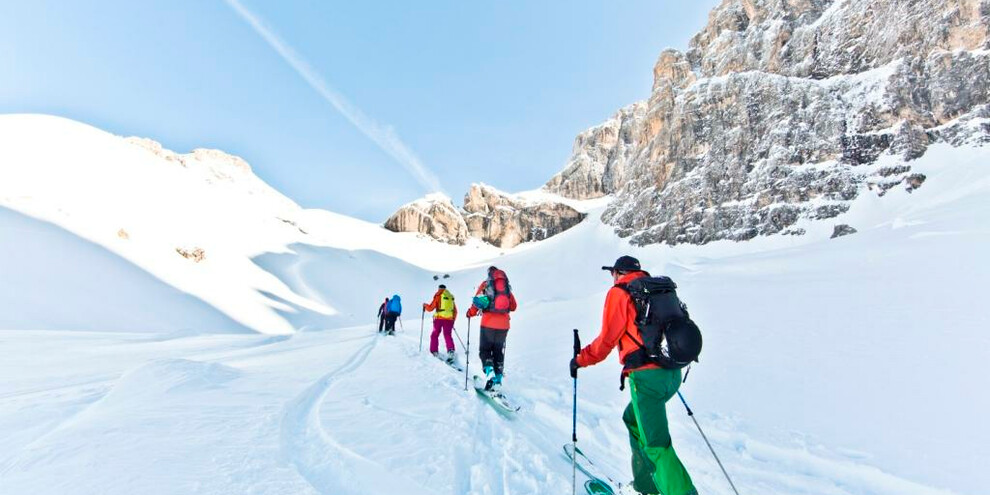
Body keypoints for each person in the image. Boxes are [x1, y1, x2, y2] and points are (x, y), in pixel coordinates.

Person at [570, 256, 697, 495]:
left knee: (656, 445)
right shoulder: (656, 290)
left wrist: (579, 360)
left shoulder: (620, 293)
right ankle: (645, 487)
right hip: (672, 374)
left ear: (618, 273)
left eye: (613, 274)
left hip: (647, 380)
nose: (613, 278)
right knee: (632, 419)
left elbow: (606, 341)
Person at [466, 266, 517, 391]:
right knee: (498, 351)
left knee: (485, 350)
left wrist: (470, 313)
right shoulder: (506, 287)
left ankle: (490, 374)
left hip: (488, 324)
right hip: (504, 325)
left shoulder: (486, 285)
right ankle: (498, 379)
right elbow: (514, 306)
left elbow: (477, 302)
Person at [423, 284, 457, 363]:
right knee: (448, 335)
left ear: (439, 289)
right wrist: (452, 321)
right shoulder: (450, 297)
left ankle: (434, 351)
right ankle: (451, 351)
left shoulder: (438, 295)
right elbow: (455, 311)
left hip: (439, 319)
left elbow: (431, 308)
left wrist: (425, 305)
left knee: (434, 334)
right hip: (449, 320)